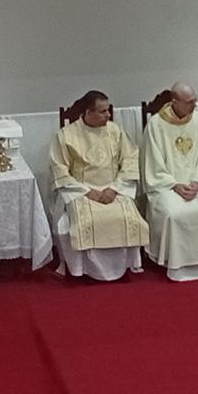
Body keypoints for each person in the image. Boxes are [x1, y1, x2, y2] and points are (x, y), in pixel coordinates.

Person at [50, 90, 149, 281]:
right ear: (88, 112)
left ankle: (121, 268)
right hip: (80, 191)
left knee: (125, 217)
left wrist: (115, 188)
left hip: (114, 189)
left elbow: (130, 159)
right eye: (103, 111)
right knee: (86, 222)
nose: (108, 115)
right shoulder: (66, 135)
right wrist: (87, 192)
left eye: (108, 110)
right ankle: (83, 270)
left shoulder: (115, 131)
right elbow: (59, 170)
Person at [142, 82, 198, 280]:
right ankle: (176, 265)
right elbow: (152, 162)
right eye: (189, 102)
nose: (194, 105)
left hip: (196, 183)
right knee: (174, 214)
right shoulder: (156, 125)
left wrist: (197, 182)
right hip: (166, 185)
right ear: (175, 101)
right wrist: (174, 185)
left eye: (195, 100)